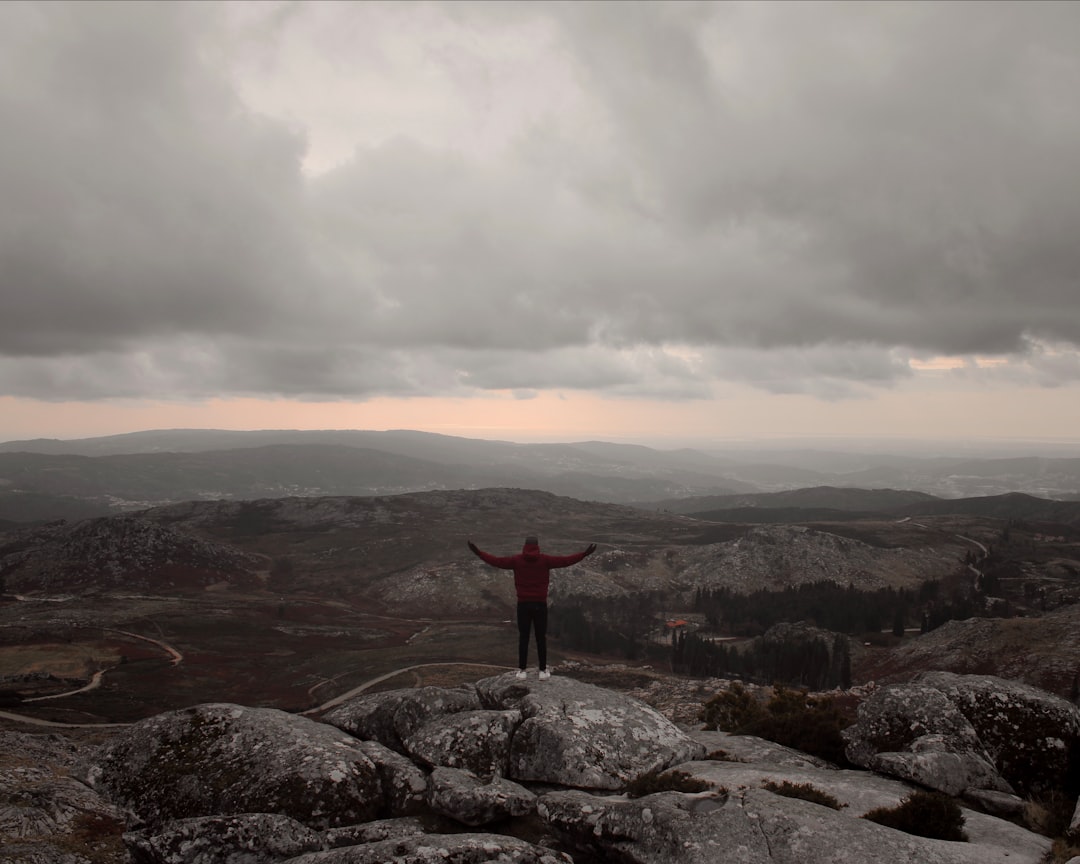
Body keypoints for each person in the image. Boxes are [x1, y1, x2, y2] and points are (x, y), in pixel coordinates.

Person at [468, 535, 596, 680]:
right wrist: (583, 555)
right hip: (540, 605)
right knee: (540, 638)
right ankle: (542, 671)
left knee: (524, 637)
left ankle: (522, 671)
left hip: (523, 605)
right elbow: (565, 561)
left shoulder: (516, 560)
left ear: (525, 546)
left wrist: (479, 553)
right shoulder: (545, 560)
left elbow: (497, 561)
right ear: (537, 546)